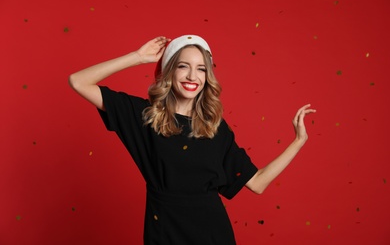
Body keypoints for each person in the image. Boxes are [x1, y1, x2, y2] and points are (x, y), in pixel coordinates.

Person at [68, 35, 316, 245]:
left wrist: (298, 141)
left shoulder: (216, 129)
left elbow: (258, 183)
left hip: (213, 234)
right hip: (163, 231)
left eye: (201, 69)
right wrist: (138, 57)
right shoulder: (145, 117)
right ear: (169, 70)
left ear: (208, 76)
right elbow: (78, 81)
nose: (192, 76)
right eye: (183, 66)